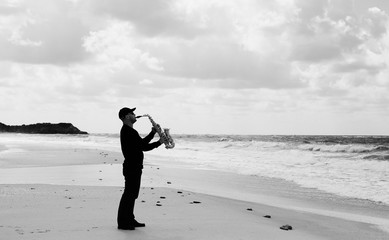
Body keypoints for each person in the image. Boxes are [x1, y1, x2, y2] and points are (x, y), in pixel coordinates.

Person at [117, 107, 163, 230]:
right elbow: (144, 146)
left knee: (132, 194)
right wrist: (159, 142)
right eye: (132, 113)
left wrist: (153, 133)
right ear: (126, 116)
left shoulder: (129, 131)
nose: (135, 115)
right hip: (132, 167)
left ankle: (129, 219)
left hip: (133, 166)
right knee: (129, 194)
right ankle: (123, 222)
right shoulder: (128, 131)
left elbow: (140, 144)